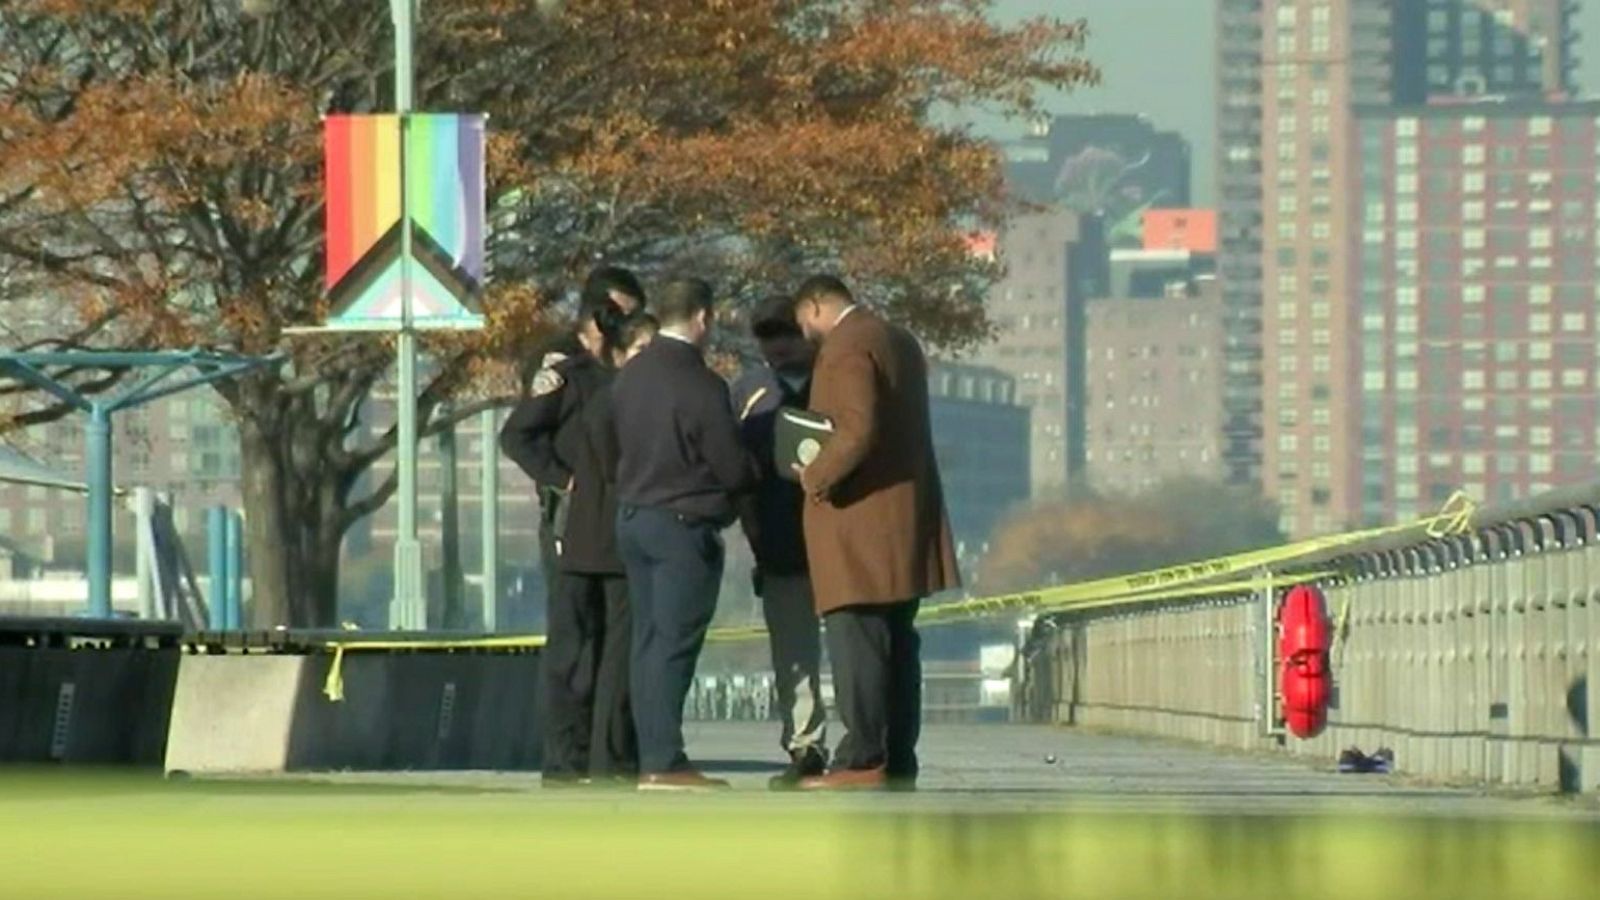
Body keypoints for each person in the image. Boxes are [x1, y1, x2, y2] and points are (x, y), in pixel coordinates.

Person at [787, 275, 960, 792]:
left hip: (858, 522)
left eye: (804, 322)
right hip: (904, 519)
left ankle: (863, 756)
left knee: (856, 638)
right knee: (899, 643)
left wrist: (814, 475)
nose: (805, 334)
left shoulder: (846, 347)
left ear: (816, 305)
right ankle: (897, 756)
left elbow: (858, 428)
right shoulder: (897, 339)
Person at [611, 278, 757, 791]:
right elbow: (732, 465)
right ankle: (666, 762)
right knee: (673, 643)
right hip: (681, 526)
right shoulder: (701, 384)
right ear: (702, 318)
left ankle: (650, 753)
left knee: (648, 642)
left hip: (633, 517)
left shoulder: (629, 376)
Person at [501, 288, 642, 788]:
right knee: (571, 643)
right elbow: (517, 435)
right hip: (571, 525)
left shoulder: (628, 379)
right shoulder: (565, 372)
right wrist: (564, 479)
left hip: (617, 527)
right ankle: (565, 757)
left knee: (614, 643)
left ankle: (607, 753)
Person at [729, 295, 829, 789]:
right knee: (793, 651)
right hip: (780, 541)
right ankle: (805, 743)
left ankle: (866, 740)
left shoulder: (835, 383)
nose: (779, 348)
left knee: (852, 650)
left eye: (787, 336)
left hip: (836, 535)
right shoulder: (748, 392)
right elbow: (738, 474)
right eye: (769, 340)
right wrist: (755, 539)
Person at [518, 267, 647, 614]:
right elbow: (521, 436)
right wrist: (564, 480)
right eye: (621, 315)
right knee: (575, 617)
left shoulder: (624, 361)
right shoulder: (561, 361)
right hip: (572, 509)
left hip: (619, 504)